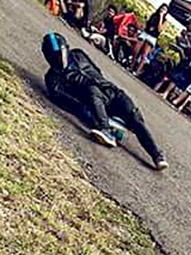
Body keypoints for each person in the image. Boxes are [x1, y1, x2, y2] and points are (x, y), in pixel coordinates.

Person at [42, 32, 168, 169]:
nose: (59, 59)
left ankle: (157, 155)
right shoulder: (52, 78)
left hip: (110, 91)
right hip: (92, 100)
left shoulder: (78, 54)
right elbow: (65, 101)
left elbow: (96, 70)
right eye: (54, 56)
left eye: (60, 54)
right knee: (92, 89)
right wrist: (87, 113)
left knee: (134, 117)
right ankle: (105, 128)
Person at [131, 3, 168, 76]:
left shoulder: (165, 20)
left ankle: (138, 71)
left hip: (152, 36)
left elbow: (160, 29)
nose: (162, 10)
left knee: (144, 54)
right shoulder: (154, 15)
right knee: (136, 49)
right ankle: (131, 65)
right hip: (146, 33)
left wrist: (161, 17)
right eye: (162, 8)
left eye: (165, 9)